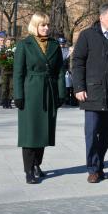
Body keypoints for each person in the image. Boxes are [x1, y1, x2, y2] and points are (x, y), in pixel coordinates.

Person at [72, 4, 108, 183]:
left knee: (105, 133)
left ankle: (100, 165)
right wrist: (79, 87)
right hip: (92, 92)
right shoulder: (87, 36)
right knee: (91, 132)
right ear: (102, 18)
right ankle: (92, 168)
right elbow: (78, 62)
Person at [13, 12, 65, 184]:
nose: (47, 28)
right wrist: (18, 95)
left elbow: (59, 72)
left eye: (48, 25)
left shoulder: (54, 44)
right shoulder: (24, 44)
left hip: (49, 91)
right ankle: (28, 169)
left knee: (44, 130)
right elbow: (18, 73)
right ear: (35, 26)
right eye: (43, 25)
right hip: (31, 92)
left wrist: (61, 93)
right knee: (30, 132)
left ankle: (37, 164)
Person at [0, 37, 15, 109]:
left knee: (11, 87)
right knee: (4, 88)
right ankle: (4, 102)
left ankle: (9, 102)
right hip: (5, 71)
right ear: (5, 43)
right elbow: (0, 60)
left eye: (10, 42)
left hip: (12, 71)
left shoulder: (14, 50)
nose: (9, 43)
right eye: (8, 42)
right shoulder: (2, 50)